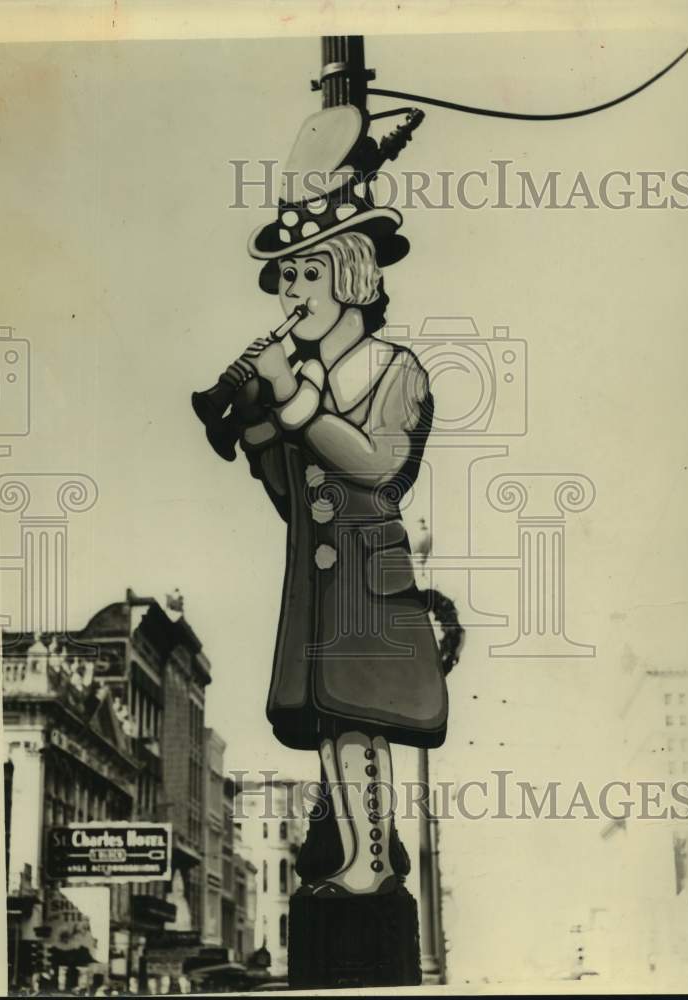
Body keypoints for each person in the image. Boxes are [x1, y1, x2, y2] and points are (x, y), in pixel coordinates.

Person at [203, 105, 448, 897]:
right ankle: (356, 853)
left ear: (349, 273)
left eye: (307, 274)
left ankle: (369, 865)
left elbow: (376, 465)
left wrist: (294, 405)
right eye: (287, 278)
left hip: (368, 563)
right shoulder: (306, 373)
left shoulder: (392, 366)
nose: (291, 294)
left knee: (362, 718)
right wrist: (260, 439)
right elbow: (294, 495)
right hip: (316, 567)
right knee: (328, 720)